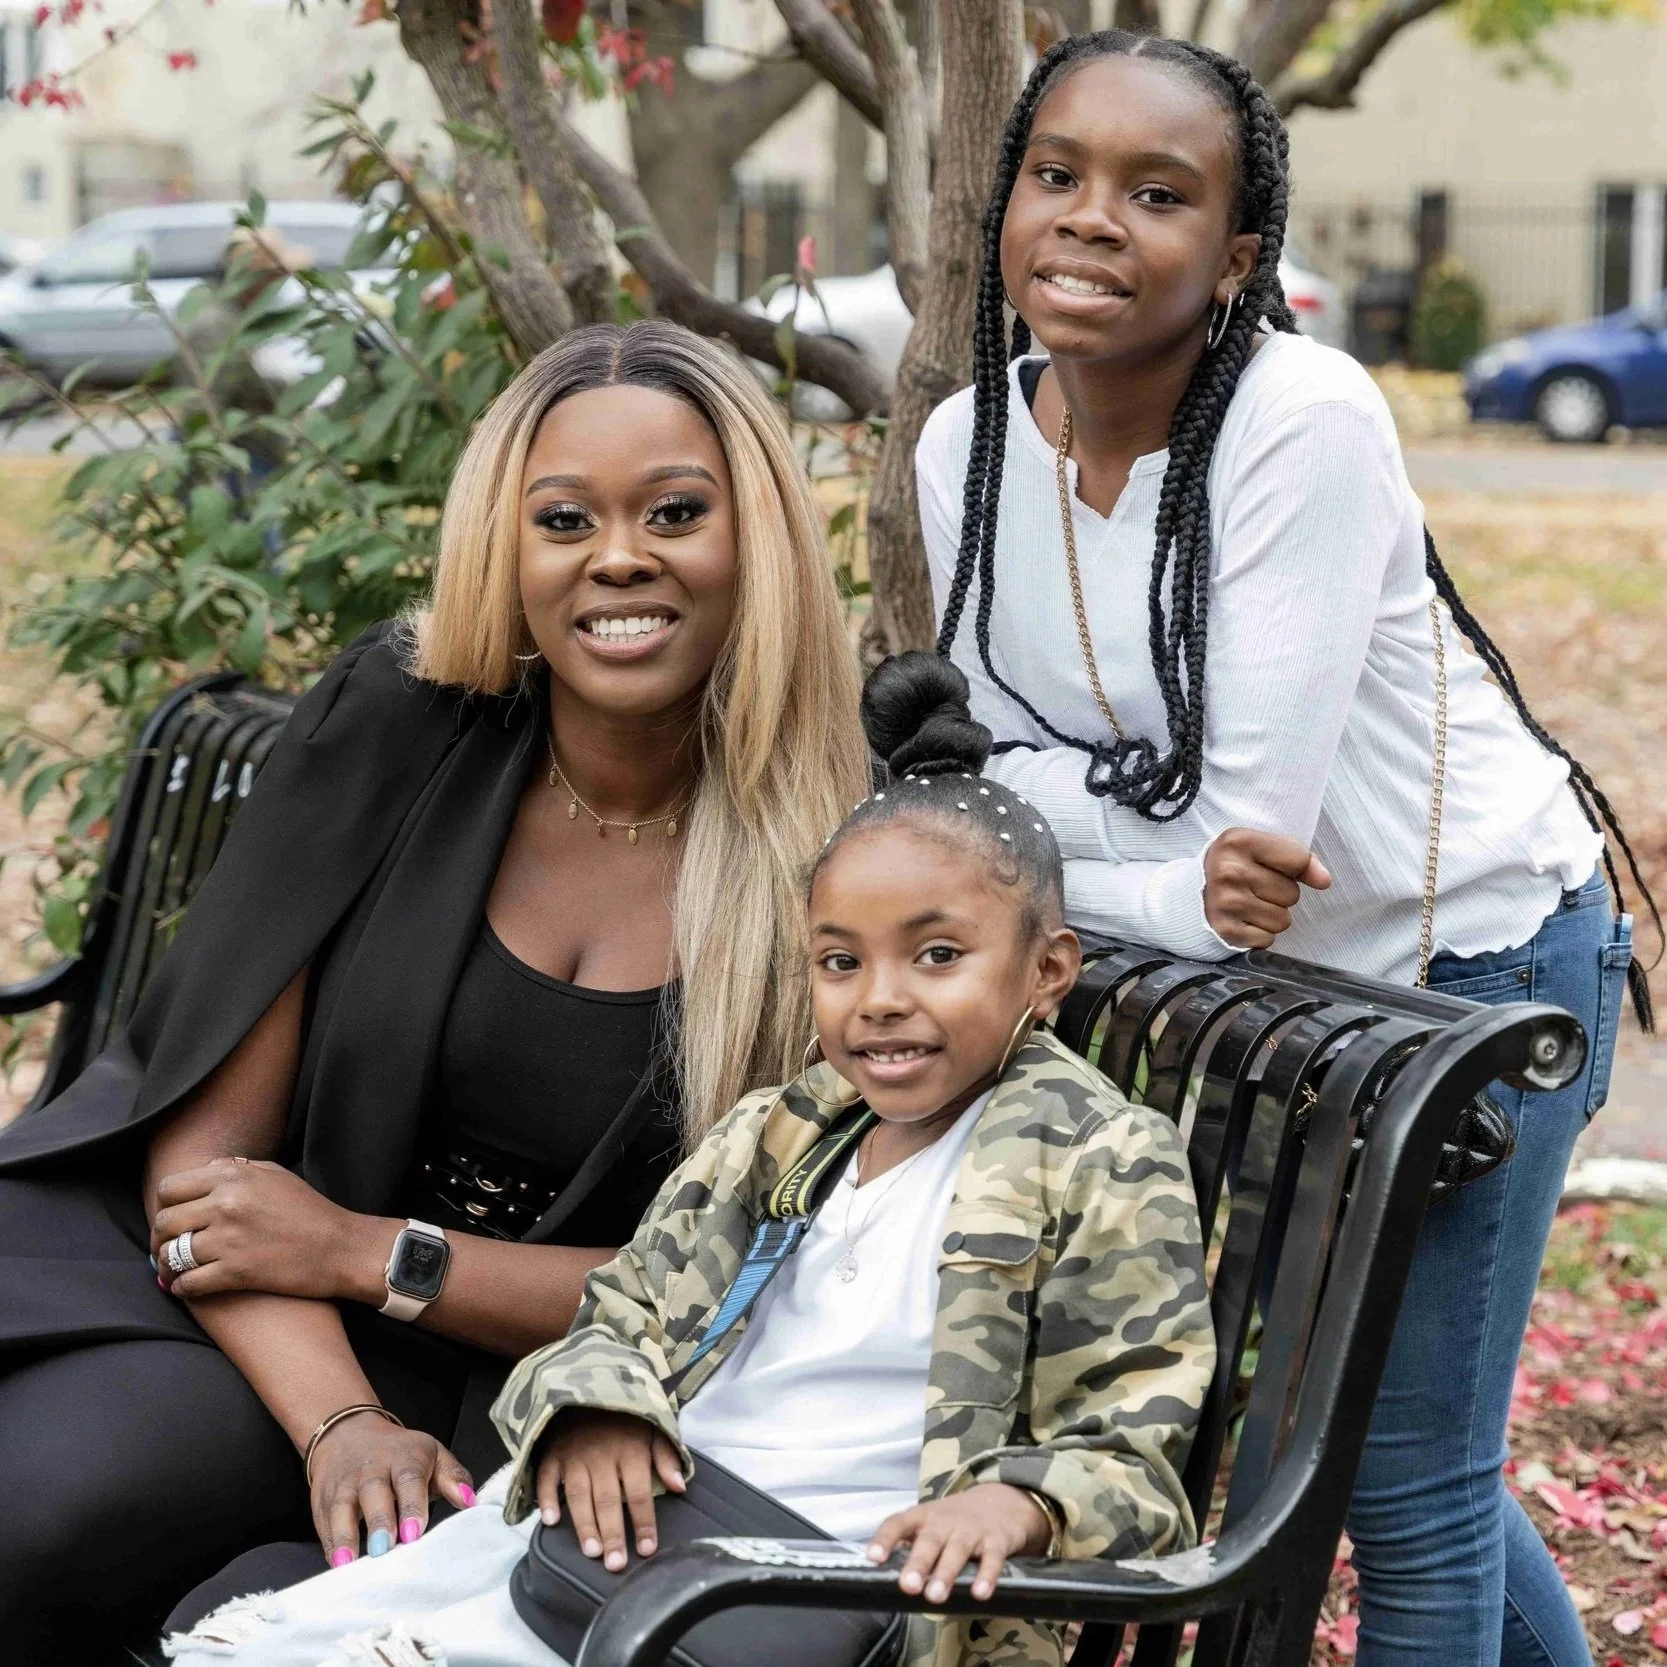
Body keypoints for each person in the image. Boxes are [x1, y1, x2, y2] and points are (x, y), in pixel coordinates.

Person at [914, 31, 1656, 1667]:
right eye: (1057, 175)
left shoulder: (1300, 423)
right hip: (1273, 1009)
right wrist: (1154, 872)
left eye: (1156, 193)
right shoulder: (960, 450)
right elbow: (997, 797)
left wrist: (1076, 838)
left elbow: (1235, 828)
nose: (1091, 219)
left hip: (1468, 972)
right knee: (1396, 1443)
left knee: (1397, 1477)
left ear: (1236, 255)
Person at [0, 318, 870, 1665]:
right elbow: (212, 1180)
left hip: (570, 1413)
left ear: (753, 537)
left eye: (676, 512)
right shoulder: (401, 727)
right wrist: (341, 1424)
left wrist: (372, 1251)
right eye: (565, 517)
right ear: (504, 549)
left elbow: (743, 1286)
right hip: (265, 1333)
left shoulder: (836, 853)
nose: (619, 556)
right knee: (49, 1500)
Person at [161, 652, 1215, 1667]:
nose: (881, 995)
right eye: (840, 960)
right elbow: (621, 1310)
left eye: (937, 954)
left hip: (827, 1585)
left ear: (1045, 970)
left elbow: (1133, 1445)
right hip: (648, 1528)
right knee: (279, 1639)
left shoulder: (1098, 1160)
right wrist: (598, 1404)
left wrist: (1020, 1502)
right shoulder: (787, 1127)